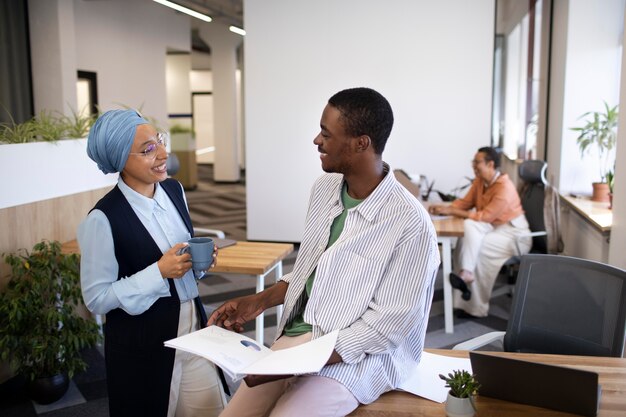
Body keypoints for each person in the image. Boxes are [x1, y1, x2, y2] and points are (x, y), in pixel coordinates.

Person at [208, 87, 440, 417]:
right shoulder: (324, 189)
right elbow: (311, 272)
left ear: (362, 143)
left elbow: (385, 329)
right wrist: (257, 302)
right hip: (299, 340)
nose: (317, 140)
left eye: (326, 133)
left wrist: (296, 362)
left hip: (359, 359)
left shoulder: (409, 224)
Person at [77, 109, 226, 417]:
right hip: (143, 346)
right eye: (148, 150)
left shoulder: (174, 190)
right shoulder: (102, 219)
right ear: (121, 161)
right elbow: (96, 298)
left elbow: (181, 263)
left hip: (194, 331)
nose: (163, 153)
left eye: (159, 141)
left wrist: (198, 265)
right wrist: (158, 272)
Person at [428, 146, 531, 317]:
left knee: (478, 249)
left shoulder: (504, 188)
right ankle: (465, 284)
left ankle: (475, 308)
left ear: (490, 164)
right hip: (493, 227)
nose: (473, 166)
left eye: (477, 162)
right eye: (473, 162)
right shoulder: (480, 181)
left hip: (515, 234)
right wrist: (446, 208)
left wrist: (452, 211)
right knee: (466, 240)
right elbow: (465, 203)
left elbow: (485, 216)